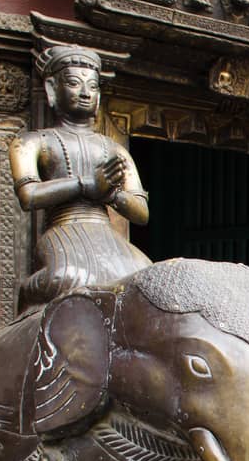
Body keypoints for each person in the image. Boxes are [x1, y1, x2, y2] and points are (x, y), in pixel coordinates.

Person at [9, 46, 151, 311]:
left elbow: (141, 212)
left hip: (106, 234)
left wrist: (110, 194)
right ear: (52, 88)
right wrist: (85, 185)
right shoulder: (33, 141)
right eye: (74, 83)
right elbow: (29, 195)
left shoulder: (113, 148)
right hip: (64, 230)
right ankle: (27, 328)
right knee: (66, 277)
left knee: (145, 278)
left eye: (92, 86)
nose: (85, 92)